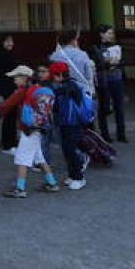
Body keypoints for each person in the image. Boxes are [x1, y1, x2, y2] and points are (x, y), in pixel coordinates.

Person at [0, 65, 60, 198]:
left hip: (28, 129)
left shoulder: (23, 91)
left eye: (16, 77)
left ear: (25, 78)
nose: (14, 80)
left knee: (21, 158)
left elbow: (6, 105)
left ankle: (20, 188)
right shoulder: (38, 89)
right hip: (39, 127)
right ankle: (52, 183)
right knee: (39, 158)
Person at [49, 62, 89, 191]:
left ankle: (79, 177)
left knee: (71, 150)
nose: (52, 78)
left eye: (53, 75)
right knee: (67, 150)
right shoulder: (63, 86)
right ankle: (72, 175)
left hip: (73, 124)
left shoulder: (70, 85)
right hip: (64, 123)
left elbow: (62, 92)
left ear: (60, 74)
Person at [89, 24, 128, 143]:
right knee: (104, 107)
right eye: (109, 33)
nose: (111, 36)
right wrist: (108, 63)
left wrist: (117, 62)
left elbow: (124, 60)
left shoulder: (116, 46)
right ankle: (105, 134)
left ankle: (121, 133)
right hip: (103, 80)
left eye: (112, 33)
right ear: (102, 34)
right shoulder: (94, 48)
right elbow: (95, 63)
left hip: (117, 79)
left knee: (119, 107)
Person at [0, 35, 20, 153]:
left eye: (12, 41)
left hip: (9, 88)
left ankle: (11, 142)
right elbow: (9, 74)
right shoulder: (3, 55)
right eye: (7, 41)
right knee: (9, 116)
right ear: (2, 43)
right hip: (8, 88)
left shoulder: (7, 54)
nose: (10, 43)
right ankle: (8, 145)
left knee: (11, 116)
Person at [50, 30, 95, 98]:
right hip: (82, 91)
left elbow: (53, 76)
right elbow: (89, 76)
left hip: (62, 92)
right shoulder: (83, 54)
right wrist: (91, 90)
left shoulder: (54, 56)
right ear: (72, 40)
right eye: (76, 39)